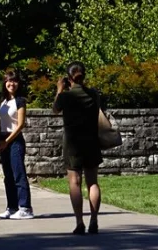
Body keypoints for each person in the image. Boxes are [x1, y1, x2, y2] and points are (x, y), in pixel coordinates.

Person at [53, 62, 103, 235]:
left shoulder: (66, 96)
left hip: (73, 144)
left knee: (75, 182)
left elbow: (55, 109)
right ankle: (94, 220)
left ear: (68, 78)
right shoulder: (93, 94)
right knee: (93, 182)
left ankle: (79, 222)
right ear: (84, 75)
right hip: (91, 142)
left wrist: (60, 88)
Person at [0, 69, 34, 219]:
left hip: (15, 140)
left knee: (18, 174)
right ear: (5, 83)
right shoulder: (3, 102)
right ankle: (12, 207)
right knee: (8, 176)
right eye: (9, 81)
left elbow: (20, 124)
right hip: (3, 140)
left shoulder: (20, 101)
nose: (11, 84)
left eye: (14, 81)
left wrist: (7, 141)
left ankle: (25, 207)